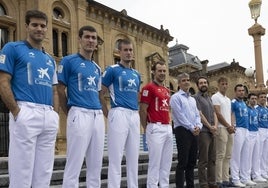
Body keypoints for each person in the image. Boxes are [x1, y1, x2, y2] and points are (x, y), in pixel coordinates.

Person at [0, 10, 59, 188]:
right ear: (26, 26)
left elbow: (55, 90)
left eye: (42, 26)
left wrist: (55, 115)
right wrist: (17, 112)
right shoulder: (13, 48)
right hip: (26, 111)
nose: (39, 29)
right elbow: (3, 81)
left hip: (48, 115)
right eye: (34, 25)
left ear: (47, 29)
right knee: (21, 173)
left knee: (44, 173)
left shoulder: (50, 59)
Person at [57, 25, 105, 188]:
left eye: (94, 38)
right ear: (79, 39)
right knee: (74, 164)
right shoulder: (68, 61)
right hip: (78, 112)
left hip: (97, 115)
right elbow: (60, 89)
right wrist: (70, 112)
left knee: (95, 166)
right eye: (87, 37)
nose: (91, 40)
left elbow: (99, 93)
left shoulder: (97, 67)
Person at [101, 38, 141, 188]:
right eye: (125, 50)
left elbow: (137, 95)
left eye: (131, 50)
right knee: (116, 158)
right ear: (119, 52)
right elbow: (100, 93)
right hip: (118, 113)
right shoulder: (112, 70)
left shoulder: (137, 74)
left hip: (133, 115)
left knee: (133, 157)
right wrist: (108, 114)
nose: (128, 53)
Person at [139, 61, 173, 188]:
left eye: (164, 71)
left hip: (167, 127)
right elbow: (142, 110)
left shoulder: (166, 90)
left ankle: (164, 185)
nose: (162, 73)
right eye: (160, 70)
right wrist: (146, 128)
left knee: (166, 163)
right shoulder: (148, 88)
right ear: (153, 71)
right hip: (155, 127)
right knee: (155, 163)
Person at [170, 72, 202, 188]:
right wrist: (191, 127)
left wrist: (198, 126)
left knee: (192, 162)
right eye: (183, 80)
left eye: (188, 79)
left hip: (194, 131)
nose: (186, 82)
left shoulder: (192, 100)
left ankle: (190, 186)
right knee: (183, 162)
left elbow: (197, 115)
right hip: (182, 131)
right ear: (179, 83)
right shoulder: (175, 97)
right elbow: (179, 116)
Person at [193, 76, 218, 188]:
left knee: (212, 159)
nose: (203, 84)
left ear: (207, 84)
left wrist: (215, 126)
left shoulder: (209, 98)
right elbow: (199, 114)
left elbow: (214, 113)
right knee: (203, 160)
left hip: (212, 131)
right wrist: (209, 126)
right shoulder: (195, 98)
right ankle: (203, 184)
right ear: (198, 85)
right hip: (203, 131)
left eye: (205, 82)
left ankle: (212, 183)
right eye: (201, 83)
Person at [211, 77, 234, 187]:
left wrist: (231, 126)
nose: (224, 85)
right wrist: (228, 126)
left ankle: (226, 180)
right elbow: (218, 114)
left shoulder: (228, 99)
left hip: (229, 128)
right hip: (221, 127)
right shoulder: (215, 97)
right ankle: (219, 181)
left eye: (226, 84)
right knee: (220, 155)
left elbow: (229, 114)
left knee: (228, 155)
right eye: (222, 84)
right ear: (218, 85)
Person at [240, 93, 263, 185]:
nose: (254, 100)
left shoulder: (256, 110)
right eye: (252, 98)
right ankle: (246, 176)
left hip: (256, 132)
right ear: (248, 99)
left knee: (256, 155)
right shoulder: (247, 109)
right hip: (249, 133)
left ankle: (256, 175)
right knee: (247, 156)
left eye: (255, 98)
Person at [230, 84, 249, 187]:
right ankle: (235, 179)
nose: (241, 92)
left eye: (243, 90)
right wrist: (233, 126)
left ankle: (245, 177)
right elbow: (230, 114)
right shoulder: (233, 102)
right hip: (238, 130)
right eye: (239, 91)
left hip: (246, 130)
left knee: (245, 155)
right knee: (236, 156)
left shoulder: (244, 103)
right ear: (235, 92)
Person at [256, 92, 268, 180]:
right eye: (261, 97)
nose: (263, 98)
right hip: (259, 130)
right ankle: (257, 173)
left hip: (266, 130)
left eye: (265, 97)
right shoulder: (256, 108)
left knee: (265, 153)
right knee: (258, 153)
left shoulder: (266, 109)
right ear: (258, 98)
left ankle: (264, 172)